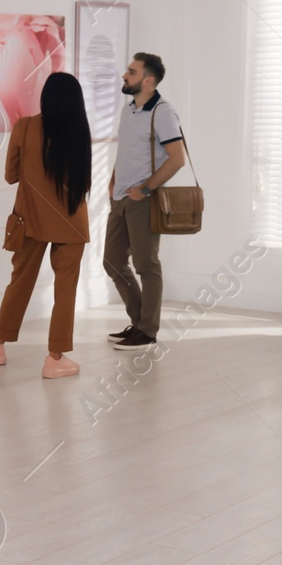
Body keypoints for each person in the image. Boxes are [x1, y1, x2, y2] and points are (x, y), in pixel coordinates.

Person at [0, 71, 92, 377]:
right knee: (66, 290)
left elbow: (11, 175)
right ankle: (55, 358)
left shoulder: (26, 126)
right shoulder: (80, 131)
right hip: (72, 222)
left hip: (31, 220)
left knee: (21, 282)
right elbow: (85, 182)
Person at [103, 52, 187, 351]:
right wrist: (114, 178)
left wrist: (145, 189)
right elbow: (127, 150)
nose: (125, 76)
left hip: (142, 200)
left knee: (146, 265)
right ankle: (139, 323)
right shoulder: (129, 109)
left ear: (148, 80)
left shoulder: (162, 112)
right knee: (112, 262)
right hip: (120, 198)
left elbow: (177, 159)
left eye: (132, 71)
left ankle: (147, 331)